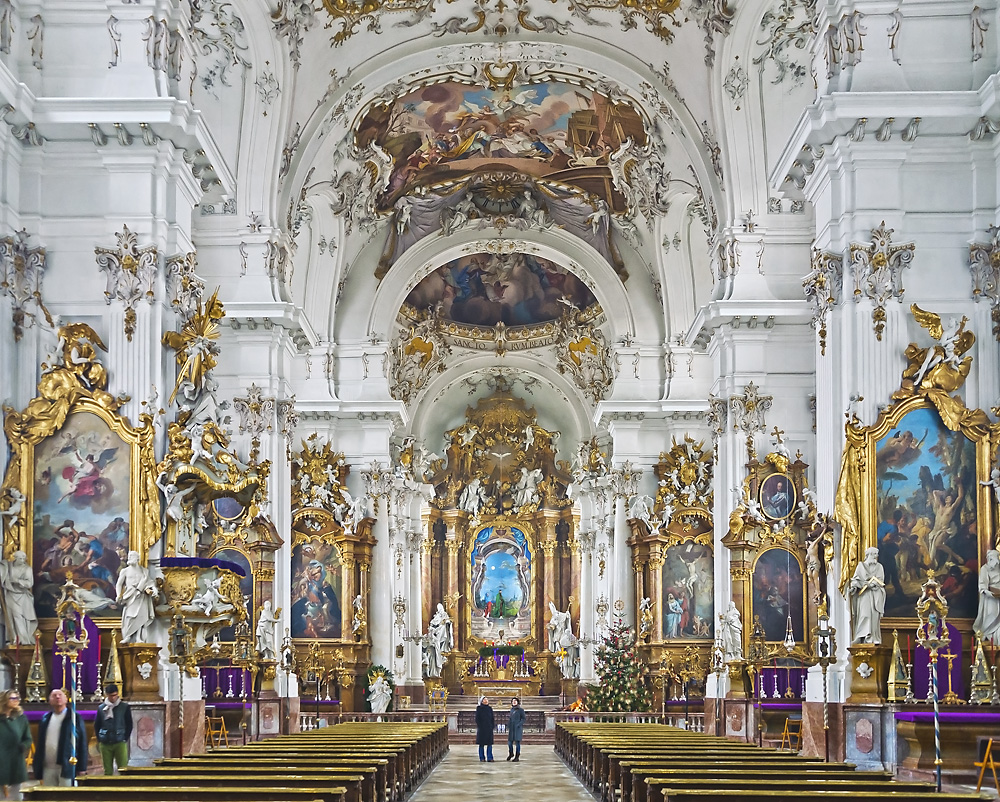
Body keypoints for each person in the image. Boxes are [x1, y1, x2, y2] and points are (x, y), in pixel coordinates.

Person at [34, 689, 87, 787]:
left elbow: (82, 743)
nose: (57, 697)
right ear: (49, 700)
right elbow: (40, 743)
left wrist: (82, 767)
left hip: (66, 766)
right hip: (47, 767)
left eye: (60, 695)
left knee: (66, 796)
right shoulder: (45, 719)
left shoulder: (74, 718)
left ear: (66, 699)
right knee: (49, 796)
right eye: (54, 695)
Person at [116, 550, 156, 643]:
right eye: (129, 556)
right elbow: (119, 584)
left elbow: (150, 583)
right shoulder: (125, 571)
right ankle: (128, 636)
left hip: (142, 597)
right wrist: (118, 595)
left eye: (132, 556)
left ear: (137, 558)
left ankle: (138, 638)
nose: (129, 558)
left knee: (141, 617)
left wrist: (154, 590)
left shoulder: (144, 571)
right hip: (130, 596)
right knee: (130, 616)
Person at [849, 547, 886, 644]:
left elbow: (880, 580)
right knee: (864, 614)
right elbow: (855, 580)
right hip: (864, 594)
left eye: (876, 554)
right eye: (875, 554)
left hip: (875, 594)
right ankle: (861, 636)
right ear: (869, 554)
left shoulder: (879, 567)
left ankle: (872, 638)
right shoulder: (861, 566)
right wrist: (855, 586)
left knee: (873, 617)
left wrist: (874, 584)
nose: (876, 556)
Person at [0, 551, 38, 646]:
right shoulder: (8, 566)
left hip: (22, 595)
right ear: (15, 558)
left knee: (20, 617)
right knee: (11, 617)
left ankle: (23, 640)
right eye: (20, 558)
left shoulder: (27, 569)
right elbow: (2, 571)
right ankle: (13, 638)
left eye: (23, 558)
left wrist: (17, 581)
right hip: (10, 594)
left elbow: (29, 583)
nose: (22, 560)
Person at [94, 683, 132, 775]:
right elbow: (97, 724)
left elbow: (129, 724)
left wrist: (124, 738)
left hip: (119, 740)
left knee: (123, 768)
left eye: (115, 695)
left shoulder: (124, 707)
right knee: (107, 770)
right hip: (105, 741)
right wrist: (100, 739)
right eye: (111, 696)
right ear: (107, 695)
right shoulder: (101, 708)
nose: (113, 698)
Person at [0, 689, 31, 800]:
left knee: (17, 796)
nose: (16, 701)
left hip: (16, 760)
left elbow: (28, 738)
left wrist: (23, 746)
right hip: (1, 761)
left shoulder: (21, 719)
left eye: (17, 698)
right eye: (12, 698)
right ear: (4, 700)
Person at [975, 550, 1000, 643]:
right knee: (991, 615)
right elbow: (982, 586)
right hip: (990, 598)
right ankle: (985, 635)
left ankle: (996, 639)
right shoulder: (984, 569)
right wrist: (990, 593)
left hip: (999, 597)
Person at [475, 696, 494, 762]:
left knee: (489, 744)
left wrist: (492, 726)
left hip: (489, 728)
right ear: (482, 701)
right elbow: (477, 719)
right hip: (482, 729)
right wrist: (480, 726)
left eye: (486, 700)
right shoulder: (479, 708)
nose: (486, 701)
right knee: (481, 744)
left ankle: (490, 757)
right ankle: (482, 757)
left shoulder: (489, 708)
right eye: (484, 700)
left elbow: (492, 718)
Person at [506, 697, 525, 762]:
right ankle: (511, 753)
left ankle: (517, 755)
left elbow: (523, 718)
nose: (514, 702)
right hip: (512, 728)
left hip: (517, 728)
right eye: (513, 701)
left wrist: (519, 724)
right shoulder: (512, 710)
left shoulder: (520, 710)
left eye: (515, 701)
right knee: (509, 742)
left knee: (517, 742)